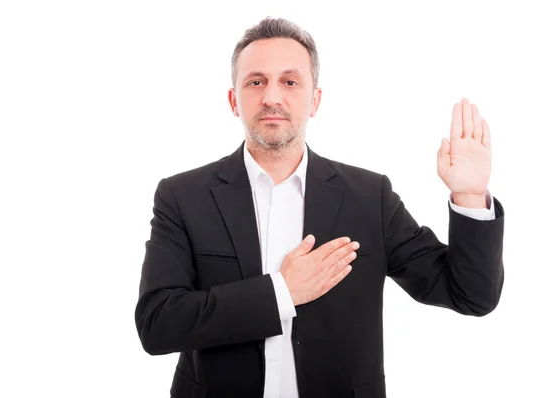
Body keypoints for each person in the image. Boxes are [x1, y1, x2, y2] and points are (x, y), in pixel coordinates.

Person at [134, 17, 504, 398]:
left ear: (315, 100)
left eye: (290, 82)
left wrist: (471, 196)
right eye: (256, 81)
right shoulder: (181, 196)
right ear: (234, 100)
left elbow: (471, 295)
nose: (272, 97)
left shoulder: (369, 197)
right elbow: (158, 323)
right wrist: (281, 291)